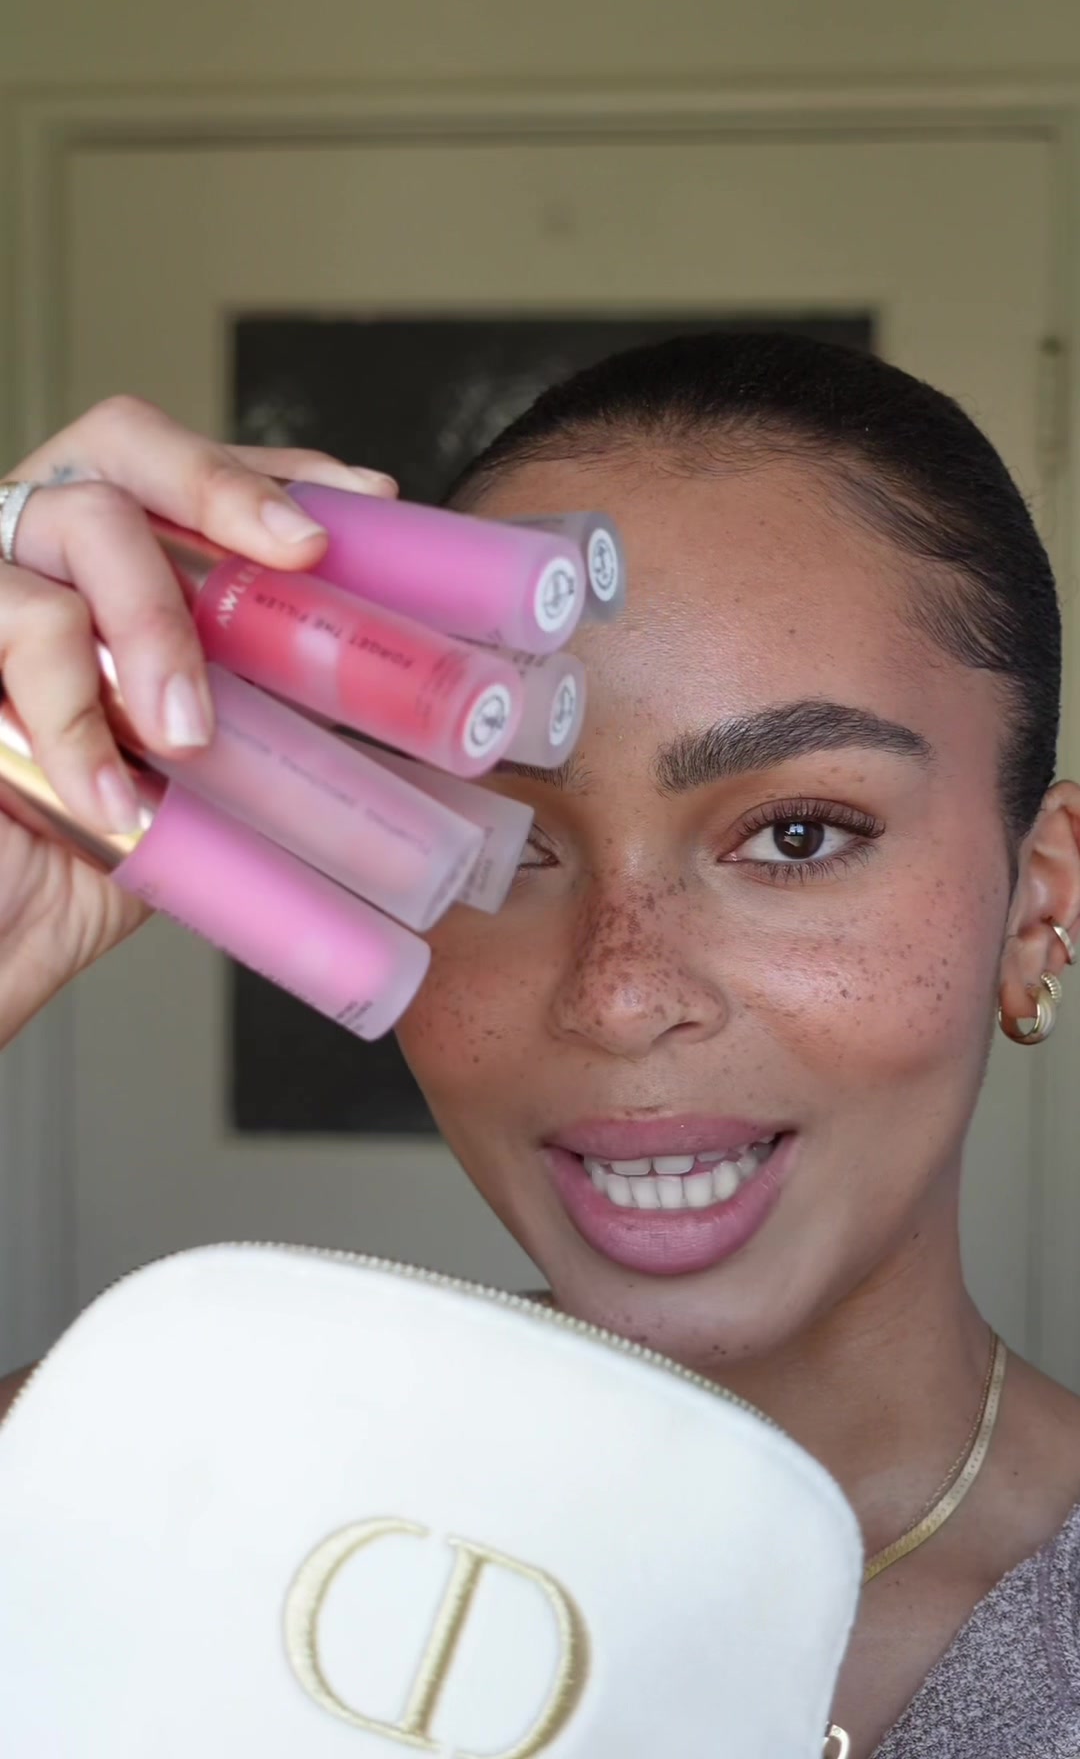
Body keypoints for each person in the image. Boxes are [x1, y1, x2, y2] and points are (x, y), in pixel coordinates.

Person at [0, 338, 1078, 1757]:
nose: (620, 995)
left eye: (796, 835)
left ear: (1037, 902)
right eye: (503, 852)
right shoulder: (92, 1504)